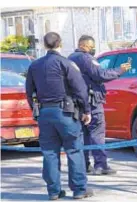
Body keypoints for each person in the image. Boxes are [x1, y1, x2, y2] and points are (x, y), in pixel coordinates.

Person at [25, 32, 94, 200]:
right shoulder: (66, 63)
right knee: (74, 150)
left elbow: (28, 92)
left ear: (44, 45)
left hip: (44, 113)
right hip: (66, 113)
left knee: (49, 153)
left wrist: (36, 111)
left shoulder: (34, 66)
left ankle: (54, 191)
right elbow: (80, 90)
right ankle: (78, 189)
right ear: (60, 44)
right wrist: (86, 111)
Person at [68, 35, 131, 175]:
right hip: (92, 102)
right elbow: (100, 74)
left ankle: (84, 165)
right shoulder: (85, 58)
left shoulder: (70, 58)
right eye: (91, 47)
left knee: (82, 136)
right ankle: (101, 165)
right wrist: (120, 70)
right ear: (83, 45)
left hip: (77, 102)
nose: (93, 49)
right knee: (97, 133)